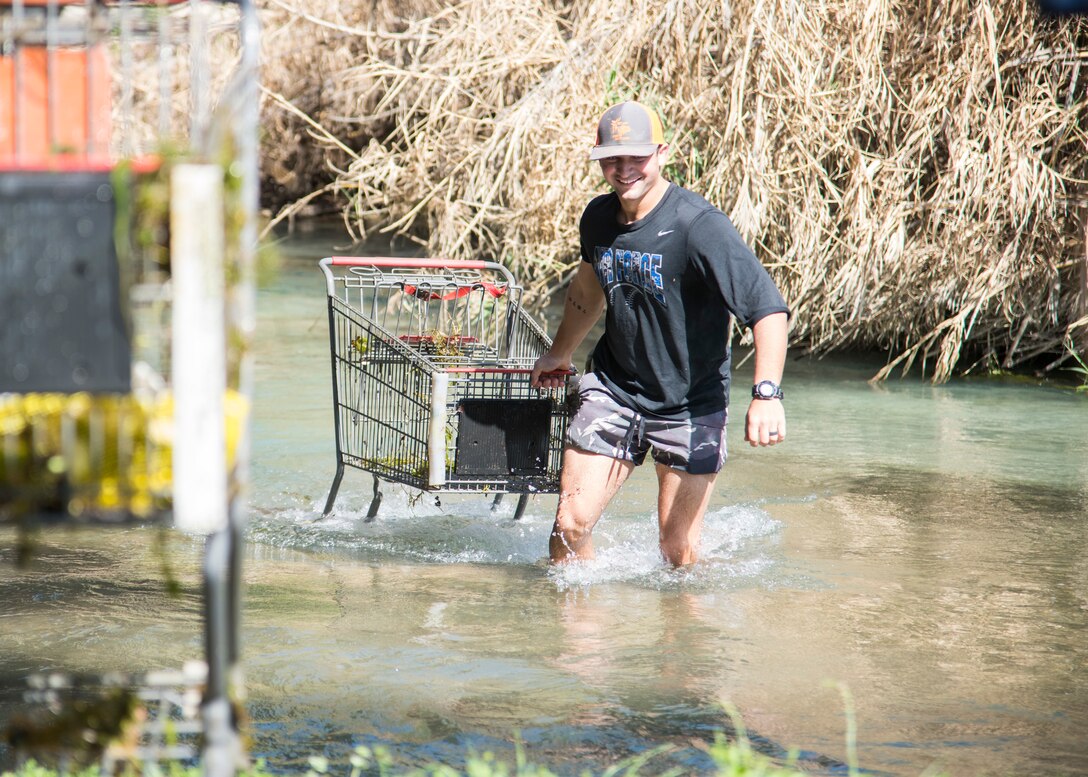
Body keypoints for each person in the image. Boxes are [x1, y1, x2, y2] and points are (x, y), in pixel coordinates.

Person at [530, 100, 790, 567]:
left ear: (661, 153)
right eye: (612, 158)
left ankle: (679, 638)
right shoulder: (597, 219)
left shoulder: (698, 226)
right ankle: (579, 637)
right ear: (598, 158)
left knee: (677, 551)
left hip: (690, 404)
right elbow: (589, 288)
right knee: (569, 526)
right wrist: (559, 352)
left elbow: (767, 308)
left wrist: (767, 394)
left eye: (637, 157)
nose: (624, 170)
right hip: (614, 389)